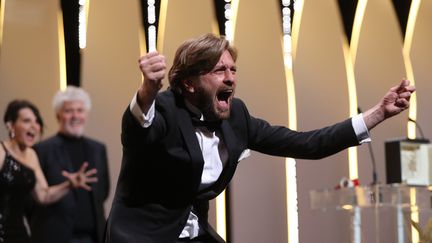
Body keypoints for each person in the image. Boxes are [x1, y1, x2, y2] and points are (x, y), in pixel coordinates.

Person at [104, 33, 415, 243]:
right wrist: (147, 89)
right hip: (141, 235)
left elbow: (308, 144)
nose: (230, 78)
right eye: (218, 70)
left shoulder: (236, 116)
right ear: (189, 83)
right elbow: (137, 134)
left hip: (193, 234)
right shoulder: (164, 109)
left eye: (233, 69)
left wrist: (378, 113)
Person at [0, 99, 97, 243]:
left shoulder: (31, 155)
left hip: (18, 234)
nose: (34, 126)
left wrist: (68, 185)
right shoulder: (1, 151)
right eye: (27, 121)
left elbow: (43, 195)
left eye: (37, 122)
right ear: (11, 125)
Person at [29, 86, 110, 243]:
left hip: (93, 237)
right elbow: (32, 200)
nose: (75, 116)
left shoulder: (98, 149)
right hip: (54, 237)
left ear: (86, 114)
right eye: (69, 111)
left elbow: (103, 191)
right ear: (58, 115)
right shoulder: (41, 150)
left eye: (80, 110)